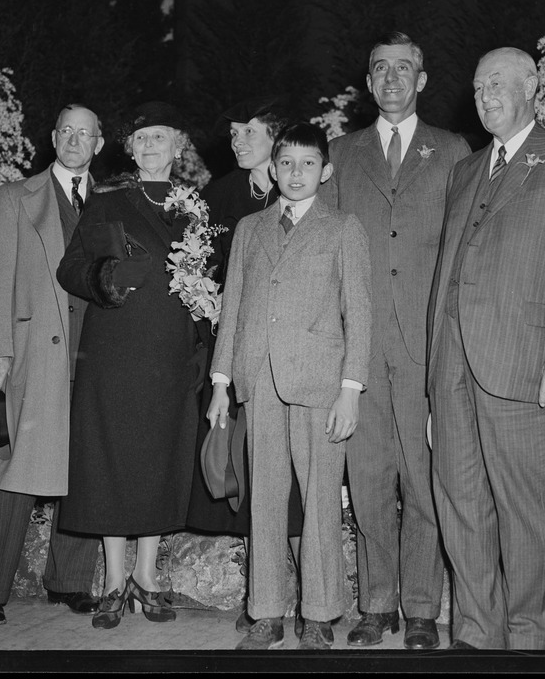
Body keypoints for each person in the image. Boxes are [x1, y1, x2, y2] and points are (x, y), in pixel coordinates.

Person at [427, 47, 545, 650]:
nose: (485, 97)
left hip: (525, 364)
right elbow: (446, 275)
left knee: (525, 510)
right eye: (478, 88)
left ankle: (529, 642)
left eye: (497, 84)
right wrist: (434, 380)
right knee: (460, 504)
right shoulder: (464, 171)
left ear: (533, 85)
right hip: (452, 367)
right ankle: (476, 637)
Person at [320, 32, 470, 649]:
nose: (391, 79)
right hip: (360, 349)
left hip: (426, 346)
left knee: (425, 479)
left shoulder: (454, 150)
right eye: (380, 69)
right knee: (371, 478)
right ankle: (377, 605)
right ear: (369, 80)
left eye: (403, 69)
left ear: (423, 80)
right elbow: (324, 243)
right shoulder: (341, 152)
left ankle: (422, 611)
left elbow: (464, 248)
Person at [206, 122, 372, 650]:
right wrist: (220, 381)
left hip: (320, 383)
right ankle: (266, 611)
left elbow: (360, 313)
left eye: (307, 164)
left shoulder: (343, 228)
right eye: (285, 163)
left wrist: (351, 388)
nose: (296, 173)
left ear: (325, 171)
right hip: (260, 380)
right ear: (271, 170)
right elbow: (231, 307)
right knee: (267, 498)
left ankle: (319, 613)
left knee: (322, 498)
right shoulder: (251, 229)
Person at [57, 101, 210, 630]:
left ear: (178, 146)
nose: (149, 146)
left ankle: (146, 577)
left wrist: (203, 346)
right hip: (116, 352)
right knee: (111, 462)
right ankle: (114, 580)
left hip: (170, 355)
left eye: (160, 137)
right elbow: (70, 268)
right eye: (140, 138)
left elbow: (212, 286)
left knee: (156, 463)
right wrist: (111, 276)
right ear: (128, 147)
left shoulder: (196, 207)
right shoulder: (109, 201)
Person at [0, 104, 104, 625]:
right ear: (53, 138)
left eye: (84, 133)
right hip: (32, 354)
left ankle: (69, 581)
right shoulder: (15, 197)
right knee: (16, 470)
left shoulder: (112, 203)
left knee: (83, 469)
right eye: (66, 131)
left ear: (98, 143)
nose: (74, 140)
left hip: (95, 355)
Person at [184, 97, 306, 637]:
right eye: (232, 131)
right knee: (253, 475)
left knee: (300, 483)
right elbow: (198, 263)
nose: (236, 140)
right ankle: (266, 595)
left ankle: (315, 593)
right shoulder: (221, 195)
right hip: (241, 355)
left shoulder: (303, 190)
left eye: (248, 131)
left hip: (297, 357)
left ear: (277, 139)